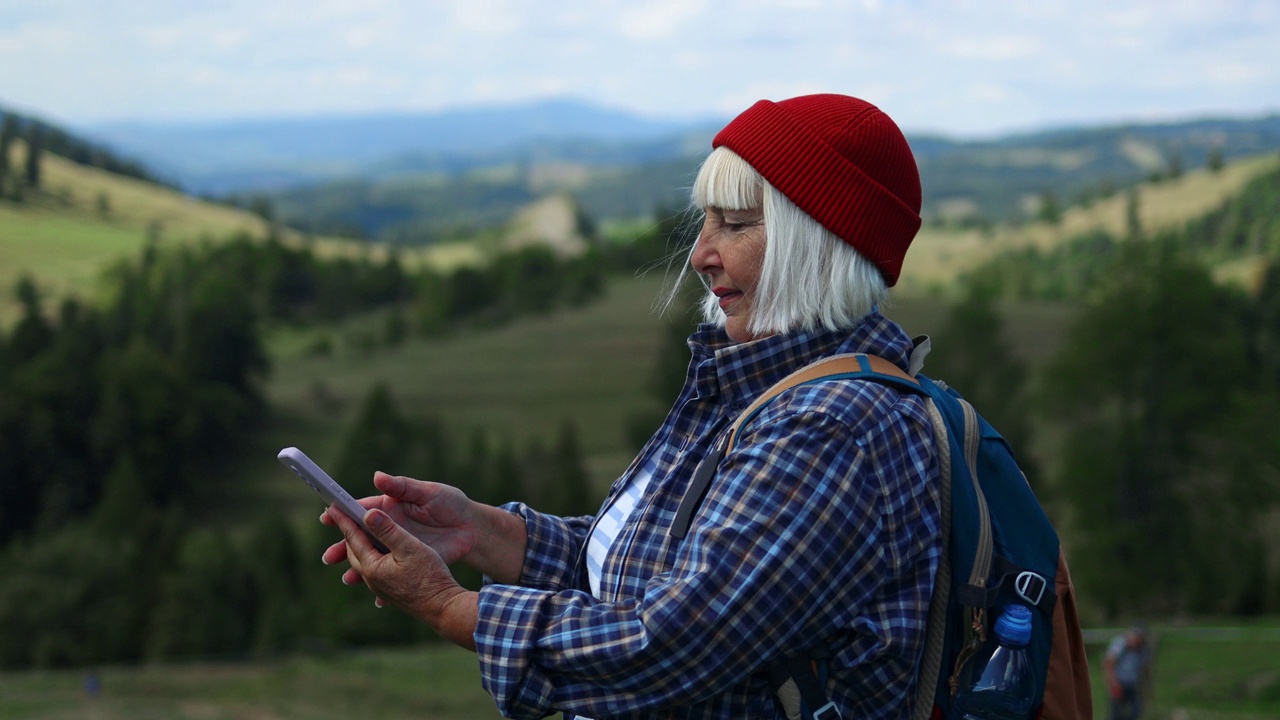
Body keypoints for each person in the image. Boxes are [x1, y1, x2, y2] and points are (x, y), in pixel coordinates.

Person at [321, 93, 941, 719]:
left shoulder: (829, 427)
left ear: (819, 242)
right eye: (706, 222)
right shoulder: (768, 393)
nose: (701, 255)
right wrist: (483, 532)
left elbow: (670, 640)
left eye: (735, 223)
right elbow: (648, 571)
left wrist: (445, 605)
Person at [1103, 625, 1152, 720]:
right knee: (1115, 714)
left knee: (1136, 710)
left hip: (1132, 683)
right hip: (1118, 683)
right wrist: (1112, 682)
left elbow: (1144, 667)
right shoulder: (1121, 644)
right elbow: (1109, 662)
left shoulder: (1142, 650)